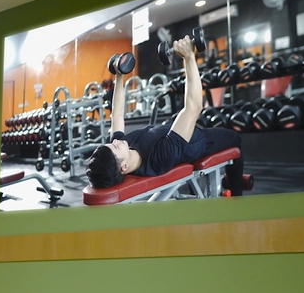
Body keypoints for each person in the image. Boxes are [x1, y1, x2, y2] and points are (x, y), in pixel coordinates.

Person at [85, 37, 246, 195]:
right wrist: (189, 56)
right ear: (124, 167)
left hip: (170, 130)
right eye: (115, 146)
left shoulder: (123, 148)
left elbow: (117, 114)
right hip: (196, 141)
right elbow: (194, 107)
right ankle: (237, 193)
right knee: (235, 139)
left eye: (111, 143)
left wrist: (119, 75)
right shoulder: (158, 158)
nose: (115, 141)